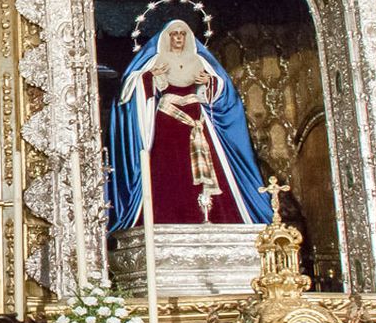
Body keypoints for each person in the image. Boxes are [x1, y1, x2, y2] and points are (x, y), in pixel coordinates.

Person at [106, 19, 271, 228]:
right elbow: (128, 90)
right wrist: (149, 78)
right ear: (167, 37)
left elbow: (222, 90)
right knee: (169, 171)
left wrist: (209, 83)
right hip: (167, 121)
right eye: (174, 34)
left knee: (212, 171)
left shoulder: (200, 61)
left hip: (196, 120)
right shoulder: (155, 60)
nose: (178, 38)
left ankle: (211, 217)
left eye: (182, 34)